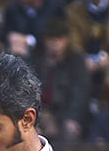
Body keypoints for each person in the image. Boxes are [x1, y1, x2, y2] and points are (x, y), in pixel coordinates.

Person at [30, 16, 90, 144]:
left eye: (59, 39)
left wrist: (72, 118)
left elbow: (80, 93)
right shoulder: (36, 60)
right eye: (51, 39)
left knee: (70, 132)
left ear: (66, 40)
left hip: (65, 112)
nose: (55, 43)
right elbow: (28, 91)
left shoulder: (76, 61)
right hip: (40, 112)